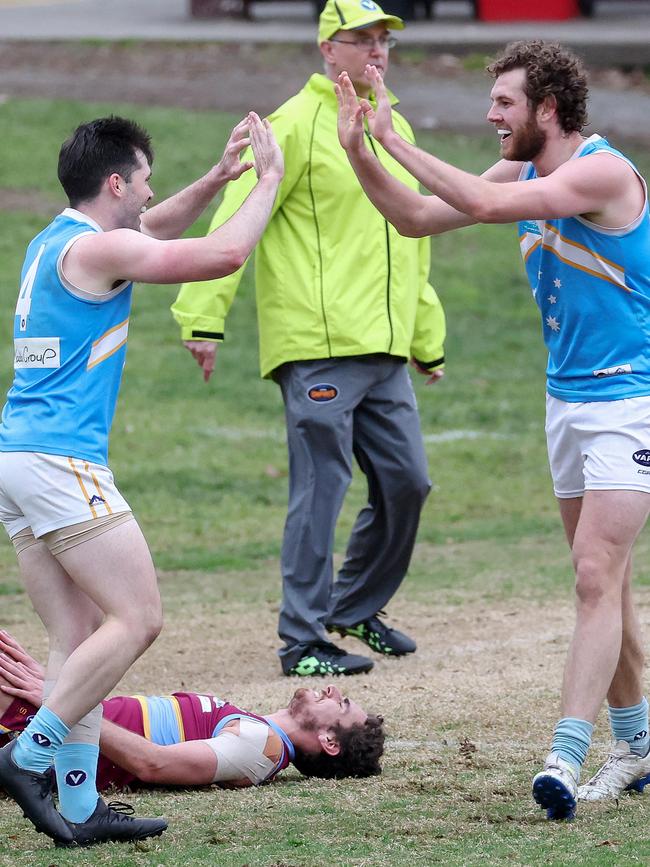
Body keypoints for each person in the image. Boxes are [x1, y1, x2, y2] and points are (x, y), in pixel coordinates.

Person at [335, 40, 650, 819]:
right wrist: (359, 150)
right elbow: (415, 218)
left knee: (592, 574)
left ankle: (565, 756)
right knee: (609, 584)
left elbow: (480, 207)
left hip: (630, 401)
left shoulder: (603, 172)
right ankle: (640, 746)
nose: (490, 116)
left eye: (504, 103)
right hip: (566, 402)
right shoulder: (526, 168)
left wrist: (392, 135)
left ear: (548, 108)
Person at [0, 113, 283, 846]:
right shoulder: (98, 248)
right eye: (144, 179)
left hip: (20, 460)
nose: (151, 193)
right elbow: (222, 254)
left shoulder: (55, 241)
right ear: (116, 181)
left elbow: (150, 227)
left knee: (77, 633)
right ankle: (28, 756)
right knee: (139, 617)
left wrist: (219, 178)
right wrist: (267, 183)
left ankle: (80, 799)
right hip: (64, 461)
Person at [171, 0, 446, 679]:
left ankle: (353, 606)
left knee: (409, 482)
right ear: (328, 49)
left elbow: (410, 238)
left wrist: (426, 335)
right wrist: (203, 317)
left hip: (384, 349)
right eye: (361, 39)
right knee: (320, 487)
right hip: (316, 345)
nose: (377, 51)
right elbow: (238, 214)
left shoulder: (392, 125)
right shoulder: (290, 125)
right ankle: (301, 641)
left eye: (384, 40)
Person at [0, 630, 384, 789]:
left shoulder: (259, 747)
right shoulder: (254, 728)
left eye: (342, 704)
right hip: (51, 718)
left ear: (329, 741)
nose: (333, 690)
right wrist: (63, 689)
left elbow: (155, 763)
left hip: (46, 735)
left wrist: (62, 707)